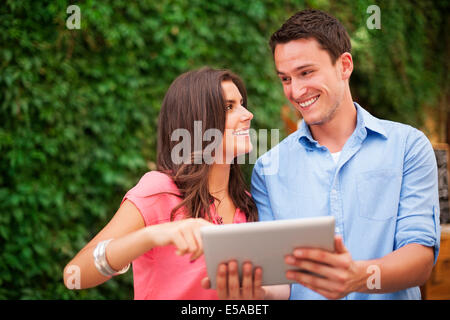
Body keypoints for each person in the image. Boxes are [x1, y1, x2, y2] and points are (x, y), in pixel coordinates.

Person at [248, 9, 440, 300]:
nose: (296, 91)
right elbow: (279, 281)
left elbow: (420, 259)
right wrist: (249, 292)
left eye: (306, 72)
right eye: (285, 79)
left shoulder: (408, 147)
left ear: (344, 65)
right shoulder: (268, 169)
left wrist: (359, 278)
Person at [63, 67, 264, 299]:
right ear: (198, 122)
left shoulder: (249, 204)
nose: (247, 114)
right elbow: (74, 275)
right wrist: (152, 235)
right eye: (229, 107)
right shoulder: (159, 190)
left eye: (241, 103)